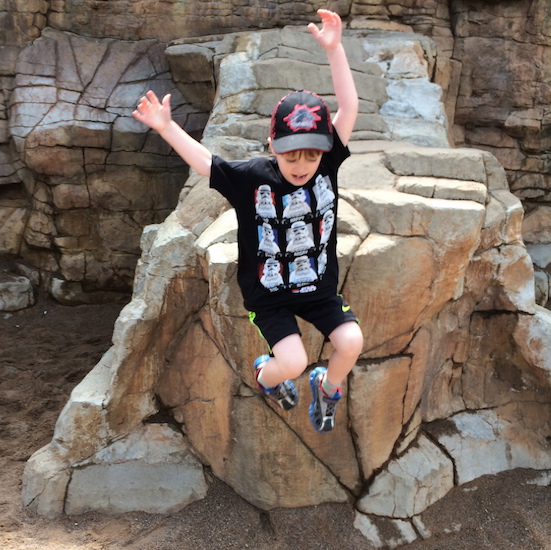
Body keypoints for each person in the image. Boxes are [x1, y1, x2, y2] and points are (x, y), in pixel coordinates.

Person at [133, 9, 363, 433]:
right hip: (269, 295)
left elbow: (349, 106)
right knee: (288, 362)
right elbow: (207, 163)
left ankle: (327, 388)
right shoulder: (253, 178)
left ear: (323, 151)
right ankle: (265, 376)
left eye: (311, 155)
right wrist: (166, 128)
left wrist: (335, 49)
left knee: (351, 342)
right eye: (292, 155)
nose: (302, 165)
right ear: (273, 145)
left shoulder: (328, 164)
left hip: (318, 287)